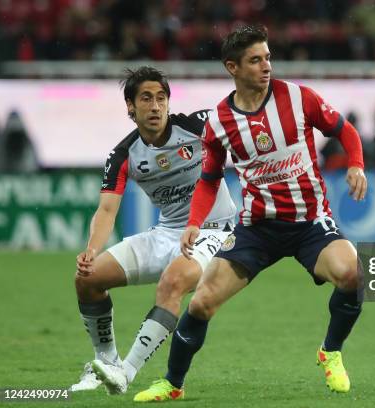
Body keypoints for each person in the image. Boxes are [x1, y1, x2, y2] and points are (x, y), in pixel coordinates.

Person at [134, 25, 367, 402]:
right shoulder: (219, 122)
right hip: (256, 228)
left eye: (268, 57)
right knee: (201, 301)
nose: (266, 66)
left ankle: (331, 351)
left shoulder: (298, 97)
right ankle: (172, 384)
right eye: (256, 60)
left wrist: (356, 163)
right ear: (233, 67)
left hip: (310, 222)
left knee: (353, 274)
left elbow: (345, 130)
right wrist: (194, 222)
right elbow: (209, 180)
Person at [70, 66, 237, 395]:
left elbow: (240, 122)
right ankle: (106, 361)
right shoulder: (123, 155)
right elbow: (106, 209)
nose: (156, 106)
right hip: (167, 232)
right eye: (146, 98)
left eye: (161, 98)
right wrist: (92, 250)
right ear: (130, 107)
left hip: (215, 231)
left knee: (173, 282)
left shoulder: (196, 126)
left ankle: (126, 373)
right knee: (87, 279)